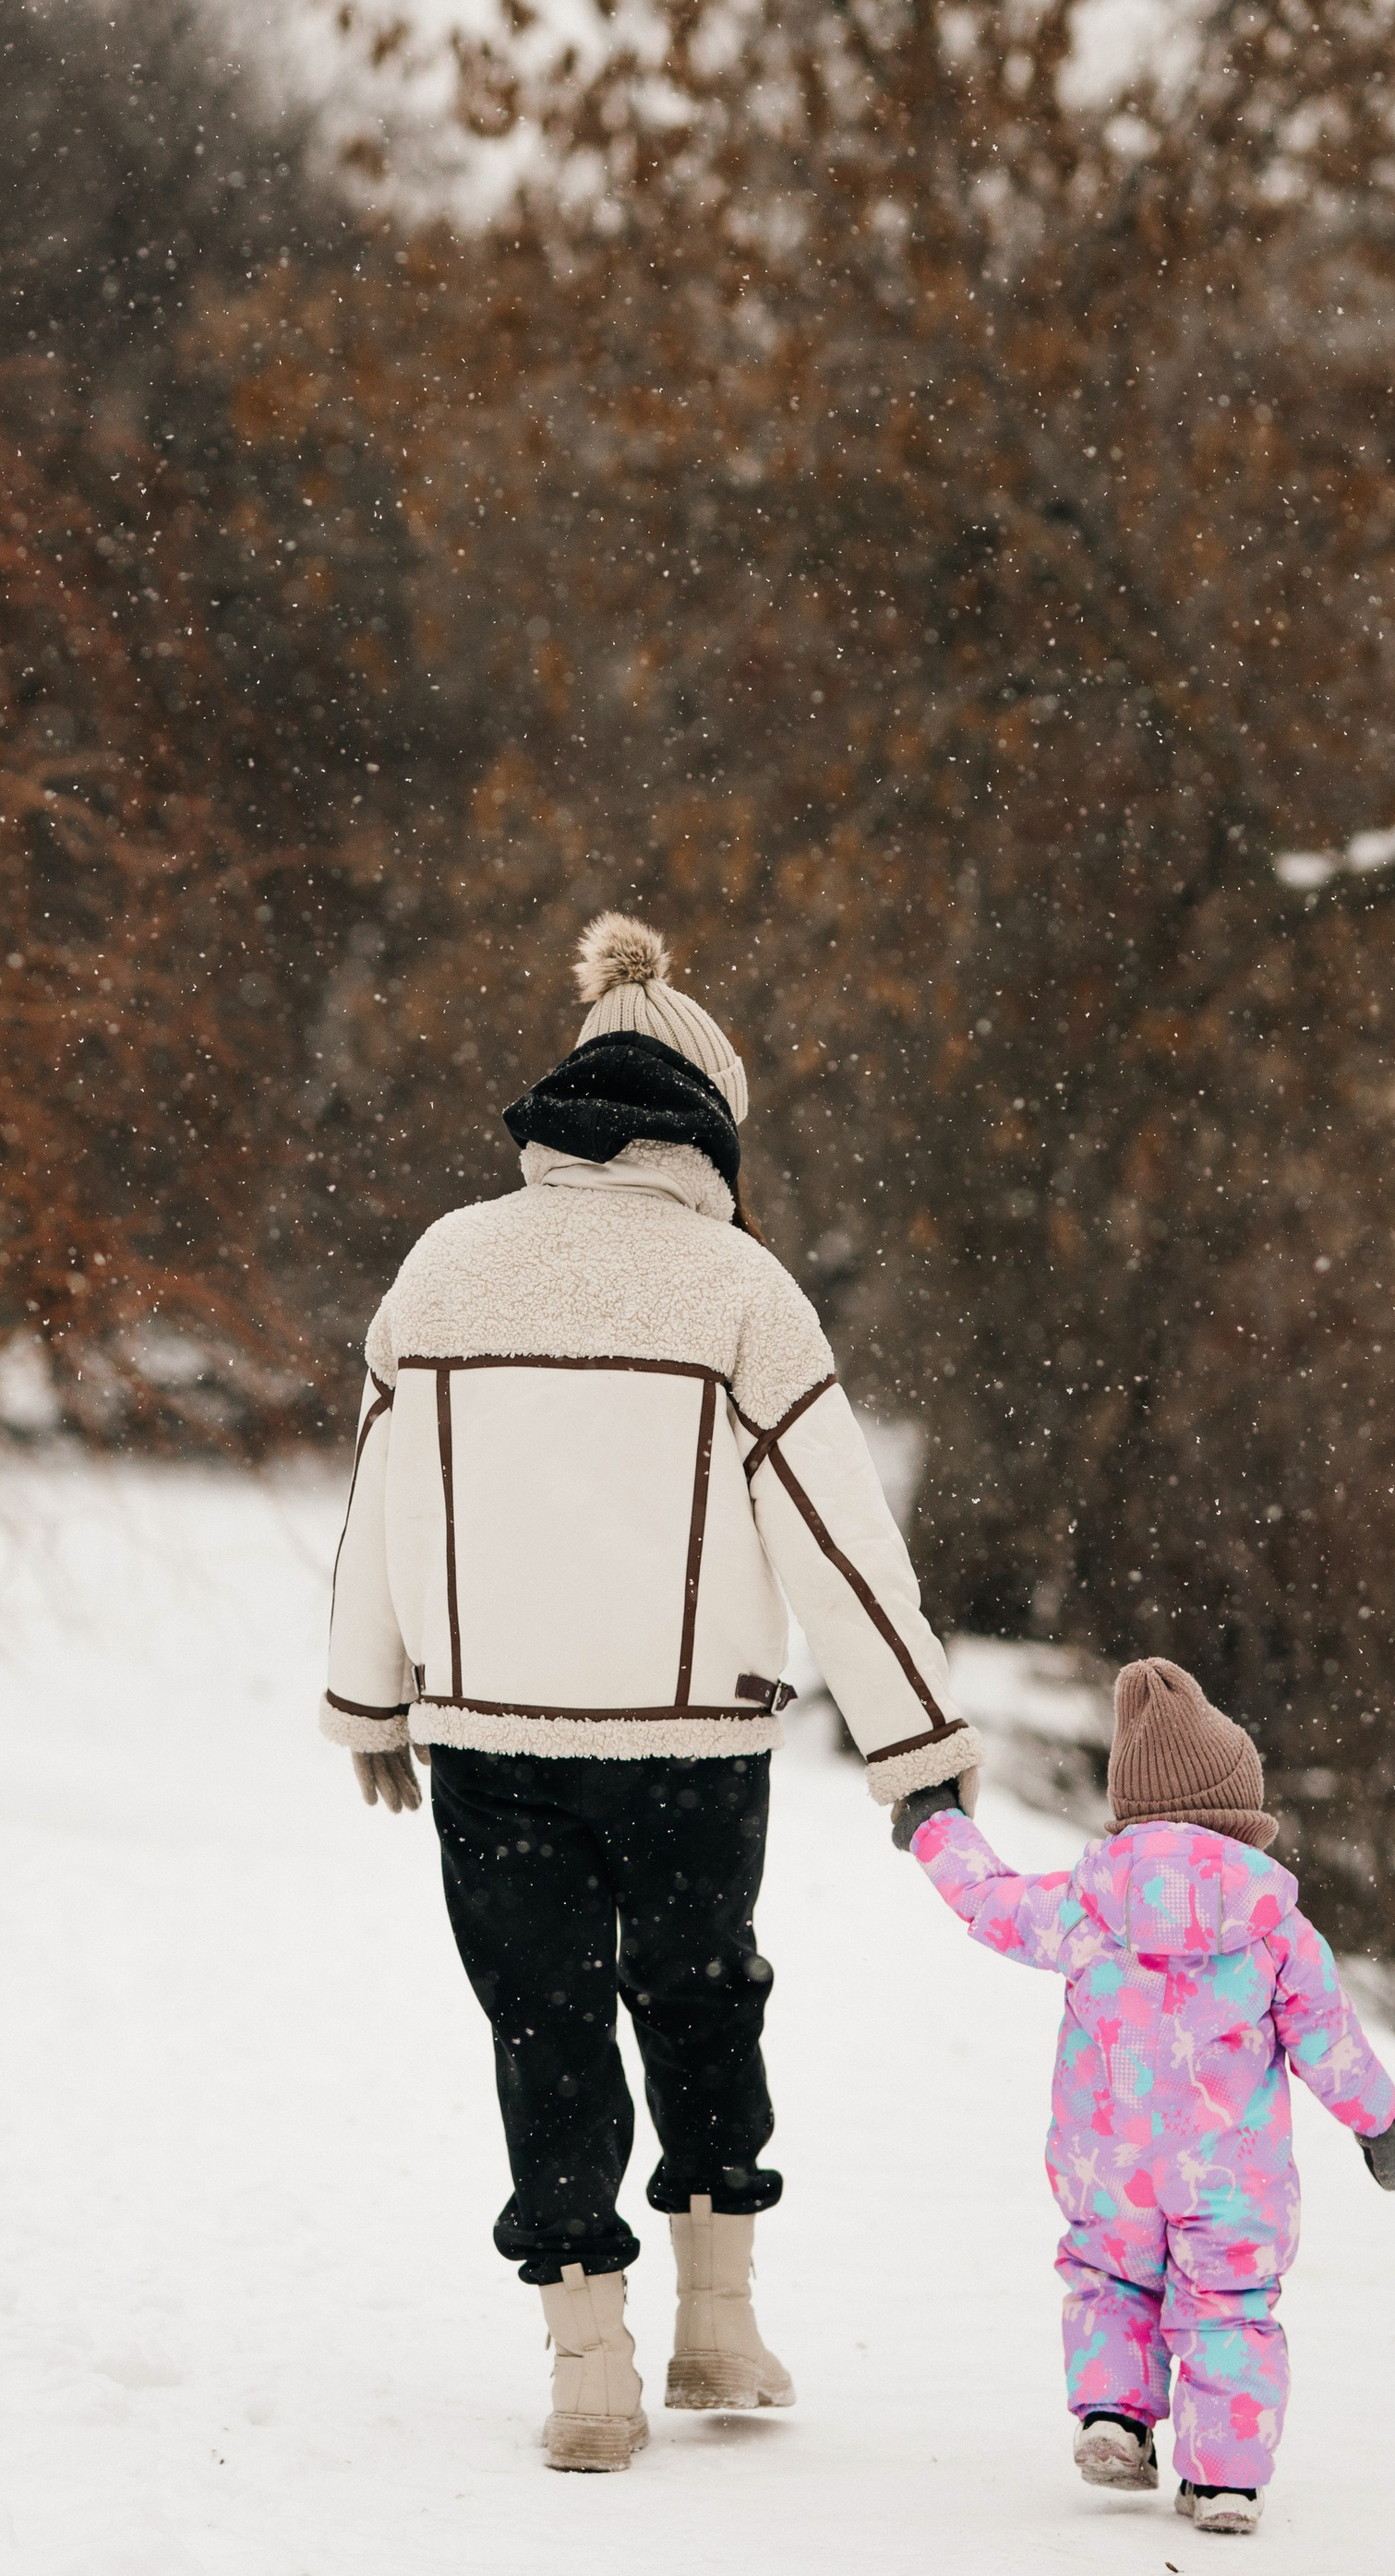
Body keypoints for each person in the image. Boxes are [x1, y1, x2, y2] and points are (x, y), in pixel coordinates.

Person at [321, 912, 981, 2470]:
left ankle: (587, 2365)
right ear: (708, 1129)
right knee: (697, 1998)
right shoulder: (741, 1291)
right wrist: (915, 1748)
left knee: (543, 2024)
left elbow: (378, 1502)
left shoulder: (442, 1266)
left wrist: (368, 1701)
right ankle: (718, 2321)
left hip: (488, 1735)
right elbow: (838, 1539)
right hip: (694, 1740)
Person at [896, 1654, 1395, 2535]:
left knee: (1110, 2277)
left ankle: (1114, 2417)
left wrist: (935, 1822)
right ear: (1238, 1813)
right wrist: (1380, 2122)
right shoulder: (1274, 1925)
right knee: (1229, 2307)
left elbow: (988, 1902)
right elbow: (1329, 2037)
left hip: (1112, 2159)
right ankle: (1225, 2481)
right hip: (1231, 2175)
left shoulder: (1087, 1904)